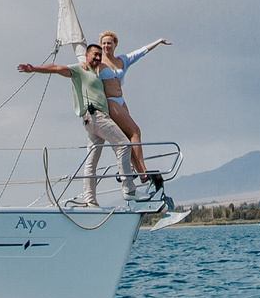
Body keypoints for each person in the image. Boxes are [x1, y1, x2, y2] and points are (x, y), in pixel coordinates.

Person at [18, 43, 136, 206]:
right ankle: (129, 190)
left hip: (94, 121)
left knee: (92, 160)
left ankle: (90, 201)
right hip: (96, 117)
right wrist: (35, 69)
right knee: (123, 145)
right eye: (94, 54)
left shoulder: (97, 73)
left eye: (99, 55)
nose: (97, 57)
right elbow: (55, 68)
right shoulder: (79, 70)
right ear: (86, 56)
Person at [96, 33, 171, 186]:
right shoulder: (98, 63)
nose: (106, 47)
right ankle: (142, 171)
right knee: (135, 131)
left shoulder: (122, 60)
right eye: (103, 44)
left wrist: (158, 41)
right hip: (110, 101)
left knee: (127, 136)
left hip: (121, 100)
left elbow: (141, 52)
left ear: (115, 44)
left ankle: (138, 169)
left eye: (109, 43)